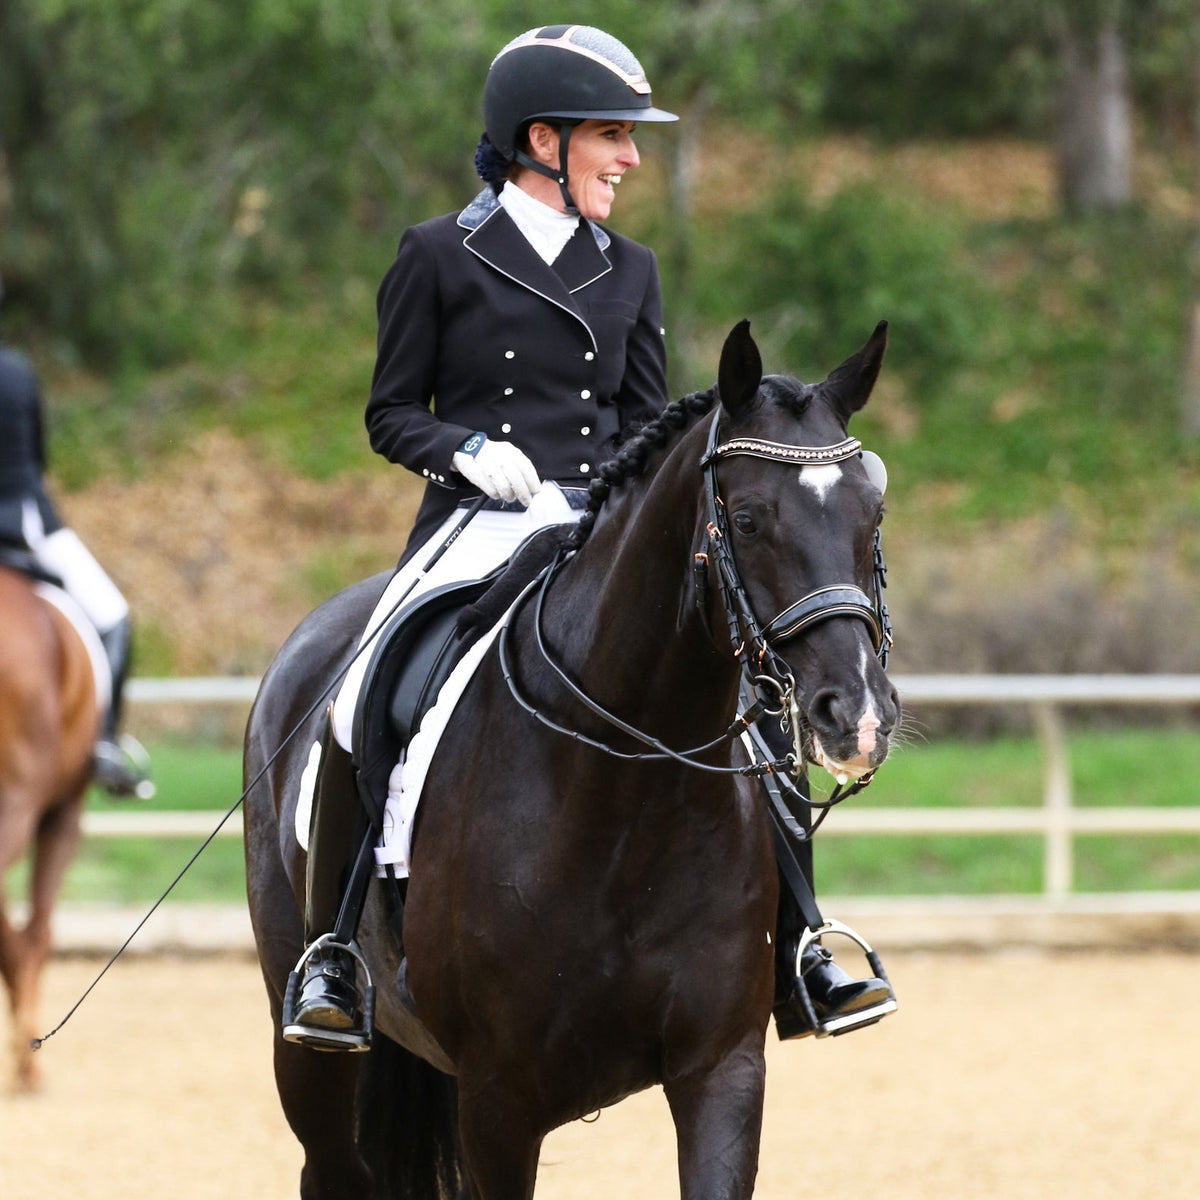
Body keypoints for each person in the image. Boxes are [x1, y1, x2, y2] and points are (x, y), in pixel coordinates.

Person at [284, 23, 892, 1051]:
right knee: (362, 697)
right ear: (543, 141)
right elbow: (389, 414)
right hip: (477, 519)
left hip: (597, 522)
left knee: (747, 701)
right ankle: (336, 948)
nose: (632, 158)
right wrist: (465, 451)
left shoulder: (630, 268)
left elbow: (646, 427)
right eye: (614, 135)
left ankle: (800, 942)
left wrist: (630, 504)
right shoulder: (437, 254)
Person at [0, 277, 155, 801]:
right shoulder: (18, 373)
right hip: (24, 523)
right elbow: (36, 462)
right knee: (113, 617)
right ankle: (103, 743)